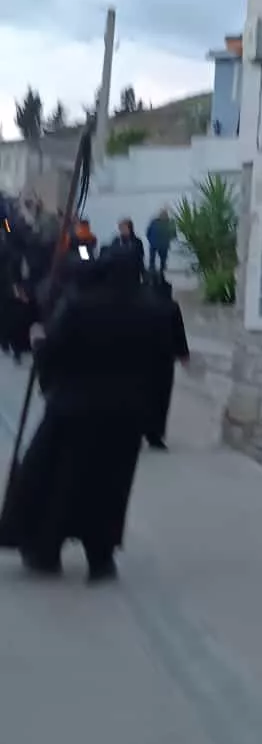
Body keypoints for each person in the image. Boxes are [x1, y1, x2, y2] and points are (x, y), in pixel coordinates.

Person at [3, 244, 171, 582]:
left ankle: (45, 549)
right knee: (110, 485)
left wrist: (38, 343)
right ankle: (101, 556)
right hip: (125, 415)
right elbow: (159, 366)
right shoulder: (153, 309)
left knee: (58, 479)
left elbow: (55, 350)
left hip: (73, 408)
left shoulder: (80, 305)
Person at [142, 271, 190, 451]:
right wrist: (183, 354)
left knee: (140, 395)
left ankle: (138, 429)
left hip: (141, 359)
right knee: (160, 398)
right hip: (164, 359)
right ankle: (155, 434)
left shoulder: (141, 305)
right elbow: (179, 333)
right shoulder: (171, 306)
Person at [146, 207, 175, 277]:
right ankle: (151, 273)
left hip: (163, 245)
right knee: (152, 260)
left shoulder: (170, 223)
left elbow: (173, 234)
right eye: (162, 214)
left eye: (165, 214)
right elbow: (148, 232)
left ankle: (162, 273)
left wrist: (167, 240)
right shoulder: (154, 222)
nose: (163, 216)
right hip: (154, 244)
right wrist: (150, 240)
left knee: (163, 260)